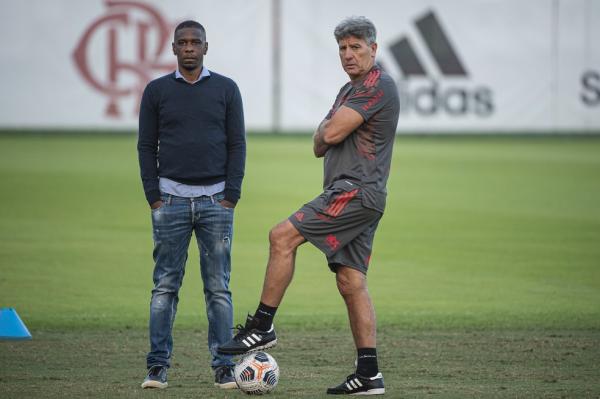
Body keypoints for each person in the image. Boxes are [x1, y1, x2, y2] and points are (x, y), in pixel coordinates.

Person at [218, 16, 399, 395]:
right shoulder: (348, 90)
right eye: (342, 49)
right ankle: (369, 374)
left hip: (355, 190)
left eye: (356, 47)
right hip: (357, 193)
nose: (348, 55)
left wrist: (331, 126)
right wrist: (330, 127)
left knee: (281, 236)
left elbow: (328, 132)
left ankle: (262, 326)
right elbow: (319, 147)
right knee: (351, 282)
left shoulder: (377, 86)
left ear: (374, 49)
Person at [137, 20, 245, 390]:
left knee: (218, 288)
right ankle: (157, 366)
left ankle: (223, 366)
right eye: (181, 42)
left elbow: (237, 145)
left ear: (205, 47)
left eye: (194, 42)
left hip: (217, 202)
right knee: (164, 287)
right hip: (170, 202)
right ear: (173, 49)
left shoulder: (227, 89)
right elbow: (145, 146)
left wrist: (231, 195)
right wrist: (154, 196)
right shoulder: (156, 91)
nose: (188, 48)